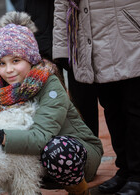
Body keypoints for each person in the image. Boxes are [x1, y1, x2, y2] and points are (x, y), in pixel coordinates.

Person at [0, 11, 103, 195]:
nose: (9, 70)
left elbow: (41, 138)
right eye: (2, 64)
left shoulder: (49, 83)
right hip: (33, 164)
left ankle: (80, 191)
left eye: (16, 60)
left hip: (74, 157)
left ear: (30, 58)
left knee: (56, 150)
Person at [53, 0, 140, 194]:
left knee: (136, 108)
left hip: (130, 34)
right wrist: (62, 49)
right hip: (91, 39)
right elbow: (62, 4)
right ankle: (126, 169)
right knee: (112, 108)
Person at [52, 0, 99, 137]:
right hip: (75, 46)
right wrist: (60, 52)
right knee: (80, 106)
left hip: (107, 42)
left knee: (115, 106)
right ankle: (88, 152)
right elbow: (61, 7)